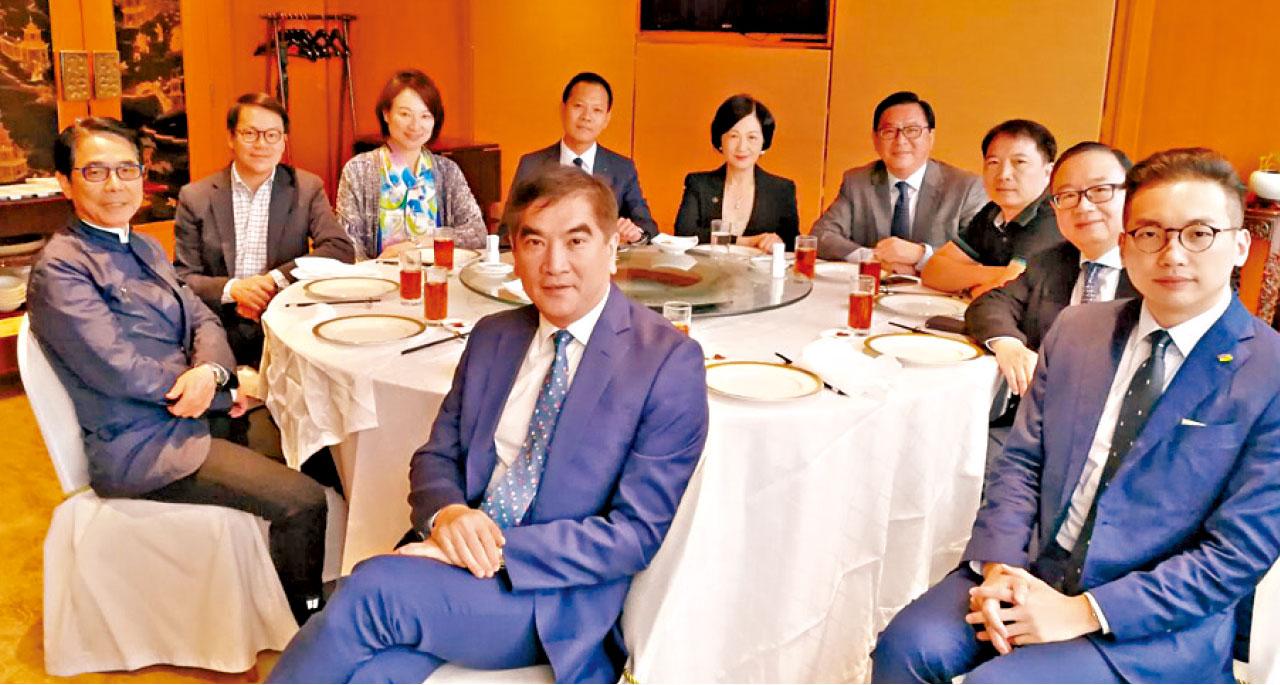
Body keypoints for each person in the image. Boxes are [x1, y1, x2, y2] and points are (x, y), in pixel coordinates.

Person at [268, 165, 709, 684]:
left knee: (371, 591)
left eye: (576, 241)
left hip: (549, 598)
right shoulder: (494, 336)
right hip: (454, 563)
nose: (554, 264)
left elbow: (634, 534)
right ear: (514, 253)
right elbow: (436, 457)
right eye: (535, 242)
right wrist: (450, 515)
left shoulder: (666, 362)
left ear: (612, 248)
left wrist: (492, 548)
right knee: (374, 674)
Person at [872, 147, 1280, 683]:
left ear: (1240, 245)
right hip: (1034, 564)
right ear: (1125, 244)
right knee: (905, 647)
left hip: (1150, 619)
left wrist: (1083, 612)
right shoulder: (1077, 329)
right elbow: (1022, 463)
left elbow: (1237, 552)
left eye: (1199, 233)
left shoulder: (1268, 371)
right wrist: (1001, 566)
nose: (1172, 254)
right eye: (1150, 233)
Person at [26, 118, 328, 624]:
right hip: (143, 443)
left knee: (319, 447)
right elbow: (119, 371)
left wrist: (213, 374)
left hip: (194, 413)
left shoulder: (143, 244)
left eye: (127, 169)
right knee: (303, 500)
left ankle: (294, 587)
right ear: (65, 182)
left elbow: (201, 317)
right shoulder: (61, 269)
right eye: (96, 171)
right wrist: (222, 392)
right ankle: (309, 624)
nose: (115, 184)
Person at [966, 142, 1140, 463]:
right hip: (1036, 428)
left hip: (1117, 442)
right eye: (1068, 195)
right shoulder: (1052, 262)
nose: (1083, 206)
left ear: (1132, 196)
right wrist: (1008, 344)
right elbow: (991, 304)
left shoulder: (1154, 272)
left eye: (1100, 190)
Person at [174, 93, 353, 367]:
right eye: (250, 133)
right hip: (221, 321)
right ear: (231, 138)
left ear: (284, 141)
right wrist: (234, 289)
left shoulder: (306, 188)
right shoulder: (196, 196)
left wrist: (272, 281)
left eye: (272, 135)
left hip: (285, 315)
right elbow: (182, 278)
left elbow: (339, 248)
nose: (261, 144)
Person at [810, 91, 986, 272]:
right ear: (875, 140)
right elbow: (821, 236)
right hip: (872, 285)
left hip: (936, 288)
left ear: (930, 137)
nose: (900, 140)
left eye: (912, 130)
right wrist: (872, 258)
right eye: (889, 131)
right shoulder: (857, 182)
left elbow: (980, 257)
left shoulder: (965, 188)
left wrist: (921, 256)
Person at [339, 69, 487, 260]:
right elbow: (348, 243)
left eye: (425, 116)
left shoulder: (447, 171)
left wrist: (418, 244)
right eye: (405, 114)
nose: (415, 126)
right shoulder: (358, 170)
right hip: (378, 276)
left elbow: (477, 233)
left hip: (439, 274)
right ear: (386, 114)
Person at [500, 72, 657, 244]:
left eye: (597, 110)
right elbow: (506, 231)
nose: (586, 117)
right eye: (578, 106)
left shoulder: (622, 168)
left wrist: (635, 234)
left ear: (606, 119)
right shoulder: (532, 165)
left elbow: (647, 226)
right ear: (563, 109)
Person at [922, 119, 1061, 297]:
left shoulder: (1053, 216)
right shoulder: (993, 212)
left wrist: (968, 284)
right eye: (994, 162)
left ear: (1049, 172)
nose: (1003, 174)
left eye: (1019, 162)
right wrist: (989, 275)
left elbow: (1008, 291)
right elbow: (933, 271)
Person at [673, 94, 798, 251]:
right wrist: (745, 241)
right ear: (720, 140)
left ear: (764, 142)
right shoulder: (698, 184)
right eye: (734, 136)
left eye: (752, 137)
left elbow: (792, 244)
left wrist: (778, 242)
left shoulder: (781, 190)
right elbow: (683, 234)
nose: (742, 147)